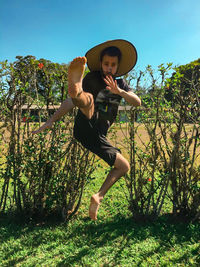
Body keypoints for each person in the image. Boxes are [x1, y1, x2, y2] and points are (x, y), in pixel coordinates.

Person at [32, 39, 141, 220]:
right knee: (88, 100)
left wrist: (119, 92)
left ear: (118, 66)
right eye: (106, 63)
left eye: (113, 65)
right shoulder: (92, 78)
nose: (109, 67)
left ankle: (97, 197)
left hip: (97, 134)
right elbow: (68, 103)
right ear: (100, 64)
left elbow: (137, 102)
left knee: (123, 166)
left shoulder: (121, 85)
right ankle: (77, 90)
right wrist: (52, 119)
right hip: (85, 123)